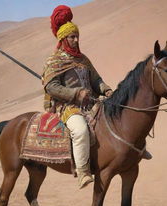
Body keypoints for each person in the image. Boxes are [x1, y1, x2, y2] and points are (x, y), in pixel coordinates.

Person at [42, 5, 113, 189]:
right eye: (72, 37)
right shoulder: (55, 60)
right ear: (63, 38)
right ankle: (83, 172)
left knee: (115, 117)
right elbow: (51, 86)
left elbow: (95, 79)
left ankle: (133, 152)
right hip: (68, 106)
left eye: (77, 36)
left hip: (90, 103)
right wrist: (75, 94)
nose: (75, 39)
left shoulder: (83, 59)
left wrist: (105, 89)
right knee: (80, 130)